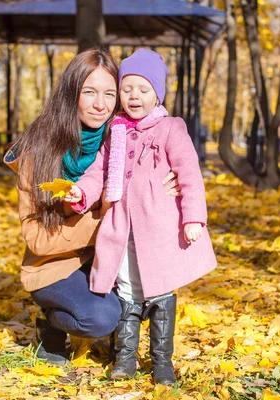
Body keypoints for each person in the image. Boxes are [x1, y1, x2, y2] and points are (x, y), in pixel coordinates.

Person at [3, 48, 181, 367]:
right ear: (72, 93)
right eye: (90, 92)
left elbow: (159, 181)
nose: (100, 104)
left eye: (109, 93)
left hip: (107, 258)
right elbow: (37, 239)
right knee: (101, 318)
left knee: (147, 293)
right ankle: (51, 325)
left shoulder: (122, 142)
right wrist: (107, 222)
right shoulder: (38, 151)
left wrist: (170, 188)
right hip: (53, 264)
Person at [64, 49, 217, 385]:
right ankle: (125, 358)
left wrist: (193, 218)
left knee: (161, 291)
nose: (134, 96)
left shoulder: (170, 128)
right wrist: (83, 193)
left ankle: (162, 362)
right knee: (127, 291)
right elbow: (99, 171)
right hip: (122, 228)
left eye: (143, 89)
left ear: (157, 94)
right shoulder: (115, 131)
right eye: (127, 88)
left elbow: (189, 174)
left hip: (158, 230)